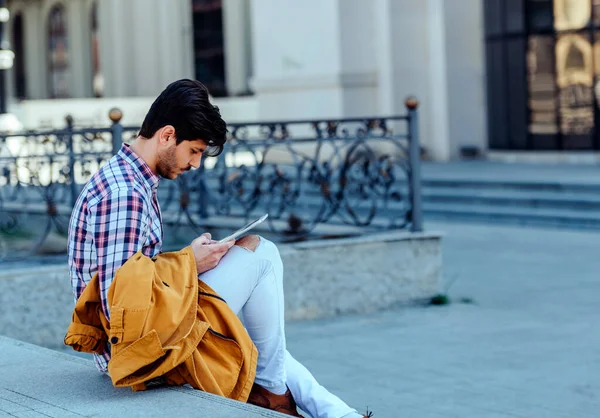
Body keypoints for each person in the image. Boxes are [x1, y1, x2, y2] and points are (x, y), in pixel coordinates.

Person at [67, 79, 371, 418]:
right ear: (167, 135)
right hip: (140, 354)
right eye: (194, 151)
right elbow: (117, 305)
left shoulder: (128, 179)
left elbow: (131, 278)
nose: (195, 164)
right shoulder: (124, 194)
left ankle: (337, 413)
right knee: (263, 256)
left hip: (151, 328)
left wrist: (190, 263)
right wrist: (188, 264)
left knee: (259, 342)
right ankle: (273, 394)